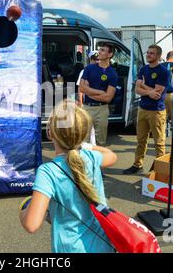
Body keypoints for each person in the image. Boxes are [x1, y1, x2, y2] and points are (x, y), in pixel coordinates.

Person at [19, 99, 117, 253]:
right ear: (84, 134)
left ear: (50, 133)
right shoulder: (91, 157)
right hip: (103, 245)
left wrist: (23, 211)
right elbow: (111, 155)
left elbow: (31, 225)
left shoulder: (48, 171)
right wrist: (85, 145)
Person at [123, 45, 169, 175]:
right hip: (142, 109)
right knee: (140, 140)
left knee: (159, 142)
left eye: (152, 53)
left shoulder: (164, 72)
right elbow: (137, 90)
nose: (148, 55)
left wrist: (143, 85)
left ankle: (161, 168)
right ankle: (137, 164)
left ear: (158, 56)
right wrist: (148, 91)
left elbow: (157, 94)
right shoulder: (143, 69)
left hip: (157, 111)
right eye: (148, 53)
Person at [79, 43, 118, 146]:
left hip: (102, 109)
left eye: (103, 50)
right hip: (87, 108)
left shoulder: (112, 74)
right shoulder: (89, 69)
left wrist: (89, 92)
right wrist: (100, 92)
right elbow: (82, 88)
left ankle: (98, 162)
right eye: (99, 49)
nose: (99, 52)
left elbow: (108, 98)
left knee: (101, 142)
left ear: (110, 54)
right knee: (83, 141)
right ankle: (84, 162)